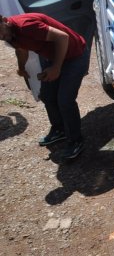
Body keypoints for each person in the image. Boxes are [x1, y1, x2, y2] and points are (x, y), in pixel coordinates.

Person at [0, 13, 90, 160]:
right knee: (48, 96)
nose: (0, 36)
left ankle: (76, 141)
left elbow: (62, 37)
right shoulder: (10, 34)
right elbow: (21, 50)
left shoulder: (25, 26)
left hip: (75, 56)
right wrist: (21, 68)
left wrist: (56, 67)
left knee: (65, 101)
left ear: (4, 21)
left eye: (0, 31)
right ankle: (60, 130)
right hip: (54, 57)